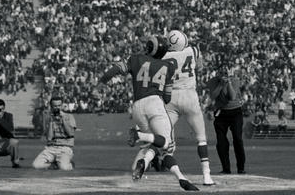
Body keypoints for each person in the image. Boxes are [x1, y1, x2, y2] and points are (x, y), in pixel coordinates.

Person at [99, 35, 199, 191]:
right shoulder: (168, 66)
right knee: (166, 143)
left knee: (157, 145)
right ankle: (140, 137)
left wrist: (105, 81)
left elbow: (111, 72)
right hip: (155, 103)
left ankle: (147, 164)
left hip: (137, 107)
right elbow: (166, 98)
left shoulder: (136, 59)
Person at [161, 30, 215, 186]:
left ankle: (160, 161)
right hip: (190, 96)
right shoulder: (193, 50)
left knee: (164, 136)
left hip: (170, 97)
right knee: (201, 139)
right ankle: (207, 175)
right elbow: (200, 66)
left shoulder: (163, 56)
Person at [206, 65, 247, 175]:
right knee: (221, 141)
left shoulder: (235, 80)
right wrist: (220, 84)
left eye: (225, 73)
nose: (223, 75)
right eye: (221, 73)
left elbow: (232, 97)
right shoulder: (212, 81)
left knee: (237, 139)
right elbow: (213, 96)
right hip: (221, 112)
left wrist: (228, 83)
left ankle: (241, 168)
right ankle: (226, 168)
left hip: (235, 111)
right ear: (217, 73)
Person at [32, 96, 77, 171]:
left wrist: (63, 119)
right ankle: (54, 164)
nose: (57, 108)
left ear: (62, 105)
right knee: (35, 165)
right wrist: (51, 122)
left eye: (59, 105)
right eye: (55, 106)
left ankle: (70, 164)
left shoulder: (69, 116)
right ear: (51, 106)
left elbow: (70, 133)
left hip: (65, 147)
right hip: (51, 147)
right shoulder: (48, 118)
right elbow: (49, 138)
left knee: (64, 168)